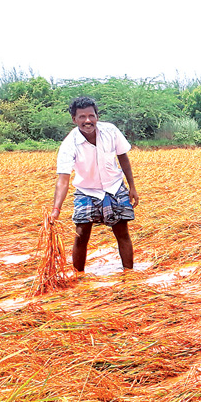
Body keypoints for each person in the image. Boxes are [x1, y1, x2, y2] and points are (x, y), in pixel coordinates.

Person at [50, 96, 140, 272]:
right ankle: (78, 276)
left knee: (122, 232)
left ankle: (129, 276)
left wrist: (132, 187)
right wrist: (56, 210)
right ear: (74, 119)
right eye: (82, 117)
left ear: (97, 116)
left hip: (114, 186)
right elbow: (63, 179)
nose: (88, 121)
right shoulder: (70, 144)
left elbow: (123, 157)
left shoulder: (111, 131)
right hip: (86, 191)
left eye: (91, 116)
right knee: (81, 234)